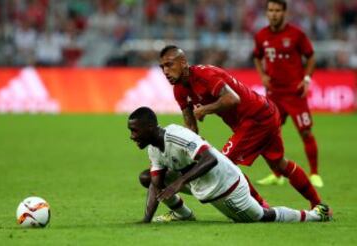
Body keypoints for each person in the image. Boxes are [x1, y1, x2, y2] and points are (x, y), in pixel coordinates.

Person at [158, 44, 322, 210]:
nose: (165, 71)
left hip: (256, 118)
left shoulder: (205, 75)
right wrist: (189, 150)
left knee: (224, 164)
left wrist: (205, 110)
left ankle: (262, 208)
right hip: (263, 115)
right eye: (162, 67)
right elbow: (191, 125)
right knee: (279, 164)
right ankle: (319, 204)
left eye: (169, 65)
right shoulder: (179, 90)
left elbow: (232, 99)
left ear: (183, 62)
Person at [127, 106, 331, 223]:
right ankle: (184, 215)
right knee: (148, 178)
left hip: (227, 185)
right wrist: (146, 221)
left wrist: (179, 182)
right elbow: (156, 182)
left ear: (150, 127)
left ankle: (315, 215)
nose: (132, 136)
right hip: (202, 184)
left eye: (135, 131)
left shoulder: (176, 135)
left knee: (262, 217)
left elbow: (210, 158)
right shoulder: (153, 149)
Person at [253, 0, 323, 187]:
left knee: (306, 132)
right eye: (270, 10)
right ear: (267, 13)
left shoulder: (297, 34)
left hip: (295, 94)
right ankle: (277, 175)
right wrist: (263, 76)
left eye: (277, 10)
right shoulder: (261, 36)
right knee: (270, 134)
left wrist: (306, 79)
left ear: (285, 13)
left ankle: (314, 173)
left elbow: (311, 56)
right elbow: (257, 56)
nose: (273, 14)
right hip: (274, 94)